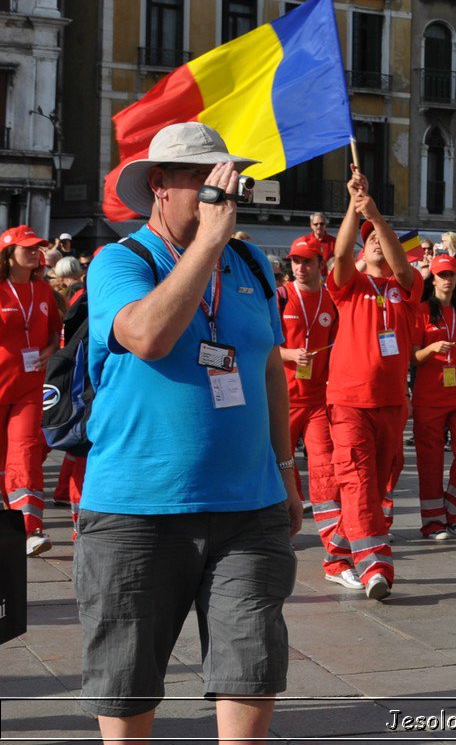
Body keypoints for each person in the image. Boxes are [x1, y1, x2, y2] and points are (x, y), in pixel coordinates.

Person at [79, 122, 298, 740]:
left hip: (248, 508)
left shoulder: (252, 261)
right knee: (127, 681)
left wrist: (287, 472)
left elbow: (269, 368)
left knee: (251, 667)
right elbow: (148, 336)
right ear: (160, 188)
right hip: (137, 510)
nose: (219, 194)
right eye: (202, 181)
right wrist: (207, 244)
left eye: (225, 181)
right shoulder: (120, 262)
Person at [322, 167, 423, 599]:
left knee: (375, 484)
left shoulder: (406, 288)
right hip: (348, 401)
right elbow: (341, 257)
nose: (376, 241)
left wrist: (378, 217)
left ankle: (336, 555)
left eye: (381, 237)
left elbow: (403, 267)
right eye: (370, 239)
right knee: (360, 481)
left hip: (390, 403)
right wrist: (353, 207)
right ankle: (375, 565)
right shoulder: (350, 285)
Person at [0, 224, 62, 554]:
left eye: (38, 247)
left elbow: (55, 332)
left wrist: (50, 351)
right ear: (9, 254)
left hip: (29, 387)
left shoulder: (44, 291)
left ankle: (30, 528)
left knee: (25, 450)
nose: (35, 252)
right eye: (28, 247)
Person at [411, 253, 456, 539]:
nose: (447, 280)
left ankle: (451, 510)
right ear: (433, 279)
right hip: (429, 395)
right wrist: (431, 349)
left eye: (451, 275)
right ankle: (433, 522)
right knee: (430, 461)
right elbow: (412, 356)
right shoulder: (422, 311)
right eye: (441, 275)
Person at [279, 237, 338, 563]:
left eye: (307, 262)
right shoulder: (281, 296)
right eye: (295, 261)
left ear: (320, 264)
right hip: (282, 400)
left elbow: (338, 346)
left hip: (317, 400)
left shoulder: (330, 301)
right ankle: (287, 531)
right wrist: (288, 353)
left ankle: (335, 547)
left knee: (324, 466)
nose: (300, 268)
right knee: (282, 468)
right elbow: (260, 343)